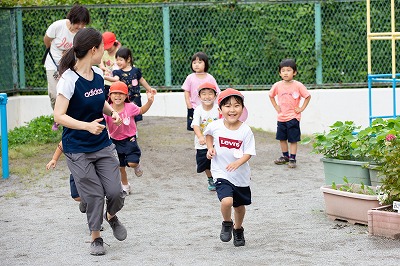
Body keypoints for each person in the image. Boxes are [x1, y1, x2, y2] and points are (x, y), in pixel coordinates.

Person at [53, 27, 126, 256]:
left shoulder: (95, 73)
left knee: (115, 192)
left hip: (102, 144)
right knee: (94, 194)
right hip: (77, 148)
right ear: (94, 50)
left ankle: (110, 215)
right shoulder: (68, 79)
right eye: (102, 48)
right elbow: (59, 116)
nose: (105, 52)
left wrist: (111, 111)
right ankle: (96, 236)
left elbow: (97, 101)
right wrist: (86, 126)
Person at [204, 88, 256, 247]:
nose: (232, 109)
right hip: (221, 172)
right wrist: (210, 148)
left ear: (242, 109)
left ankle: (238, 229)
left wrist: (237, 163)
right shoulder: (216, 125)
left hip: (240, 176)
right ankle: (227, 223)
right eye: (227, 106)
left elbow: (249, 153)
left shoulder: (246, 130)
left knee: (239, 207)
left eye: (236, 105)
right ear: (220, 110)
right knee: (227, 201)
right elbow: (208, 134)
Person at [43, 4, 90, 131]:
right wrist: (56, 53)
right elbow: (47, 41)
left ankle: (71, 119)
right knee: (53, 93)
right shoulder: (57, 26)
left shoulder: (82, 33)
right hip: (53, 64)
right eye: (78, 23)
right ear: (71, 19)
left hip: (70, 64)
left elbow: (80, 49)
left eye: (83, 24)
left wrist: (68, 55)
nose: (80, 27)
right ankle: (58, 117)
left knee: (70, 92)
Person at [104, 81, 154, 195]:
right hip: (114, 141)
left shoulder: (130, 107)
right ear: (110, 95)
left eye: (121, 93)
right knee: (120, 166)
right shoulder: (107, 110)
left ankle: (137, 165)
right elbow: (103, 123)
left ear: (126, 96)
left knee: (131, 163)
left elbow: (141, 110)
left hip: (130, 139)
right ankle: (125, 185)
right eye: (115, 93)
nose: (117, 96)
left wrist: (149, 102)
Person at [269, 58, 311, 169]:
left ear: (294, 72)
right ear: (279, 73)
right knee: (282, 138)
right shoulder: (277, 85)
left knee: (293, 139)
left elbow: (307, 96)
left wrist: (301, 108)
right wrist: (276, 106)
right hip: (281, 117)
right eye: (283, 70)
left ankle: (292, 158)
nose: (285, 73)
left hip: (293, 117)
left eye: (288, 70)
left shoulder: (298, 85)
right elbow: (271, 95)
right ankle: (285, 157)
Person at [105, 47, 157, 122]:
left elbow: (142, 80)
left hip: (135, 97)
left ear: (128, 59)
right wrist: (104, 77)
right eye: (117, 60)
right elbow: (115, 79)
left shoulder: (136, 71)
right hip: (124, 98)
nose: (118, 62)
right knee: (125, 115)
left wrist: (149, 89)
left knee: (135, 116)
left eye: (121, 60)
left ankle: (134, 132)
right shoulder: (117, 72)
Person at [190, 82, 219, 191]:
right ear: (199, 96)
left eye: (210, 93)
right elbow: (195, 125)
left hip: (216, 142)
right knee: (205, 163)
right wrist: (200, 137)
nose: (207, 96)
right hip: (202, 143)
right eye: (204, 94)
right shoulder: (198, 110)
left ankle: (219, 179)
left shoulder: (218, 109)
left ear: (215, 96)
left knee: (217, 160)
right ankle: (210, 178)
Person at [182, 52, 220, 131]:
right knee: (195, 126)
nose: (196, 64)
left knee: (208, 125)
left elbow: (217, 92)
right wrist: (189, 105)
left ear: (205, 64)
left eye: (199, 62)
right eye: (194, 62)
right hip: (194, 107)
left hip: (208, 107)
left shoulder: (210, 78)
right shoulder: (190, 77)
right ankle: (199, 140)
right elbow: (186, 92)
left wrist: (216, 104)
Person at [46, 141, 87, 213]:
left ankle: (94, 201)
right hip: (76, 169)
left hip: (91, 166)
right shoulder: (72, 134)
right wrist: (54, 159)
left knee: (96, 193)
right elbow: (62, 144)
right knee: (76, 196)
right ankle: (86, 201)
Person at [99, 32, 121, 100]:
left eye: (109, 47)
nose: (108, 49)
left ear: (114, 44)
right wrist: (102, 67)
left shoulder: (119, 53)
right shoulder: (104, 53)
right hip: (107, 82)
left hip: (117, 81)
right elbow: (100, 60)